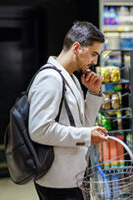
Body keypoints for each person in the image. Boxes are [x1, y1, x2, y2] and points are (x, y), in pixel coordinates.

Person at [28, 21, 108, 200]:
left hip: (73, 176)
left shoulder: (70, 77)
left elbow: (82, 125)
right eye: (93, 54)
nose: (95, 62)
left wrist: (93, 94)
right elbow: (39, 130)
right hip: (58, 183)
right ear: (77, 47)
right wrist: (87, 136)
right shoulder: (50, 79)